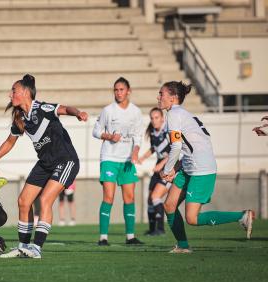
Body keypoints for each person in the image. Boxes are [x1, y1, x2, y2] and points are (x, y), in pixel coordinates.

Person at [0, 74, 88, 259]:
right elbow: (10, 142)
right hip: (45, 163)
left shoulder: (42, 108)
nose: (10, 95)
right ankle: (23, 247)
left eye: (14, 91)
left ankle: (36, 249)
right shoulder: (20, 118)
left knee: (45, 201)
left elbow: (65, 108)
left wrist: (78, 113)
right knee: (23, 201)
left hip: (65, 160)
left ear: (25, 92)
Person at [158, 81, 255, 254]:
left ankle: (242, 216)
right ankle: (183, 246)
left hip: (201, 169)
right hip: (189, 166)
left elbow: (177, 146)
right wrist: (175, 168)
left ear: (173, 98)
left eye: (161, 94)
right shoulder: (180, 113)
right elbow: (189, 146)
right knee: (169, 205)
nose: (158, 97)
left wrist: (166, 170)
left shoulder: (174, 114)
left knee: (192, 218)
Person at [92, 77, 144, 246]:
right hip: (109, 158)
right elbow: (96, 130)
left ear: (128, 91)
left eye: (121, 89)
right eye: (116, 89)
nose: (118, 92)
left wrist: (135, 152)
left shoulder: (136, 112)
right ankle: (103, 238)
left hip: (127, 160)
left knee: (129, 197)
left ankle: (130, 237)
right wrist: (108, 136)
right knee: (109, 196)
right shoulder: (108, 110)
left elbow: (138, 136)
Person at [137, 107, 181, 236]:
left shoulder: (168, 131)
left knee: (156, 197)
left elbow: (175, 152)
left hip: (169, 168)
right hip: (158, 167)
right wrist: (143, 157)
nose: (154, 120)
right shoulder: (153, 133)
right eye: (152, 118)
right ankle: (152, 229)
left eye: (156, 117)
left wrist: (161, 165)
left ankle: (161, 229)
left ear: (162, 118)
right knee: (150, 199)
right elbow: (154, 148)